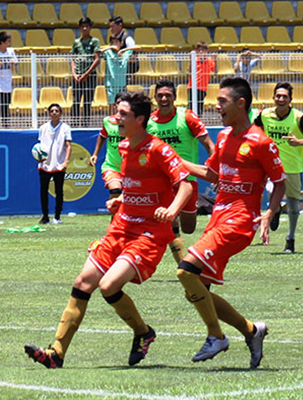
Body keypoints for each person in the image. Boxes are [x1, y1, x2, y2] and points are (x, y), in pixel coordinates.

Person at [24, 91, 193, 369]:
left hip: (149, 233)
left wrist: (172, 211)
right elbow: (137, 187)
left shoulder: (159, 149)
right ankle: (56, 353)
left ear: (140, 119)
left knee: (108, 286)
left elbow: (184, 184)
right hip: (122, 226)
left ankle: (142, 332)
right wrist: (121, 198)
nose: (116, 118)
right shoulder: (125, 146)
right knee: (82, 284)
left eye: (123, 114)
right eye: (117, 112)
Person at [174, 76, 284, 368]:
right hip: (218, 218)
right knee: (198, 292)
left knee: (186, 272)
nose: (216, 105)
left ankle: (216, 336)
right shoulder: (222, 137)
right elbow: (211, 175)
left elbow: (280, 183)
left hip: (238, 222)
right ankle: (251, 330)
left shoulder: (261, 142)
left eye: (222, 101)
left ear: (241, 103)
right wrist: (173, 160)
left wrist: (269, 212)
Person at [148, 79, 214, 263]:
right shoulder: (149, 122)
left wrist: (216, 169)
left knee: (189, 227)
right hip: (162, 181)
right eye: (160, 95)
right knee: (169, 219)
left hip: (187, 180)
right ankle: (182, 263)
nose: (164, 99)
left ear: (174, 98)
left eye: (167, 95)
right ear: (155, 98)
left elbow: (209, 145)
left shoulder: (187, 117)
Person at [254, 82, 303, 253]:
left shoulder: (300, 118)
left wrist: (299, 142)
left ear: (291, 99)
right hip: (269, 165)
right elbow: (253, 131)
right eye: (278, 96)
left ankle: (290, 239)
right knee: (270, 189)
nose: (281, 99)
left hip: (292, 167)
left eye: (285, 96)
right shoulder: (264, 115)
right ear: (273, 97)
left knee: (293, 204)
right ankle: (275, 208)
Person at [89, 92, 128, 206]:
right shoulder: (108, 121)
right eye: (118, 103)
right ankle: (115, 220)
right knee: (115, 190)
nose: (120, 105)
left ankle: (118, 220)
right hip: (112, 166)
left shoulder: (132, 123)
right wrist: (95, 154)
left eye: (124, 103)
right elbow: (102, 136)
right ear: (115, 105)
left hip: (129, 167)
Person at [37, 104, 72, 224]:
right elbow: (39, 146)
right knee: (43, 191)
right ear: (48, 113)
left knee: (59, 191)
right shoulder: (43, 128)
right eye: (52, 111)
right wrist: (39, 158)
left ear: (60, 113)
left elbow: (68, 146)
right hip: (45, 165)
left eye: (57, 111)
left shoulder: (65, 128)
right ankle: (45, 216)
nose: (54, 113)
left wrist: (66, 161)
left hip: (59, 164)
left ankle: (57, 216)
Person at [70, 17, 100, 126]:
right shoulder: (76, 42)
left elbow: (97, 59)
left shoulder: (94, 41)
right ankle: (74, 123)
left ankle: (85, 124)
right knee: (76, 100)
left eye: (87, 26)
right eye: (82, 26)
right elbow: (73, 58)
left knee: (87, 101)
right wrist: (74, 74)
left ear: (90, 28)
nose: (84, 28)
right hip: (77, 76)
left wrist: (86, 74)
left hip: (90, 76)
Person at [101, 35, 133, 113]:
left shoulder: (125, 54)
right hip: (111, 83)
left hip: (122, 84)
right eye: (112, 42)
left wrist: (122, 50)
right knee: (112, 105)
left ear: (121, 43)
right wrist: (110, 47)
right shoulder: (108, 53)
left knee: (122, 104)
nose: (114, 44)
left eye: (116, 42)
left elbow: (138, 48)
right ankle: (112, 120)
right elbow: (99, 52)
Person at [187, 42, 216, 112]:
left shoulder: (209, 60)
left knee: (199, 107)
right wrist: (190, 59)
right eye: (199, 50)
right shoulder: (195, 59)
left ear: (206, 51)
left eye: (203, 50)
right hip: (193, 86)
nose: (201, 52)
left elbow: (215, 71)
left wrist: (216, 60)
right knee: (191, 107)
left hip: (202, 88)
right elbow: (189, 71)